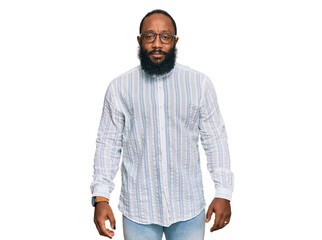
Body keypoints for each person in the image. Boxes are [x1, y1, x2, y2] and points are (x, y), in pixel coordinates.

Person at [90, 9, 234, 240]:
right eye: (150, 36)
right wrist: (101, 197)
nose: (157, 44)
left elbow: (215, 140)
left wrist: (223, 192)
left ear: (175, 41)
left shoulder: (199, 84)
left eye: (165, 37)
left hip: (188, 208)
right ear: (139, 40)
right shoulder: (119, 88)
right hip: (139, 209)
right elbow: (108, 144)